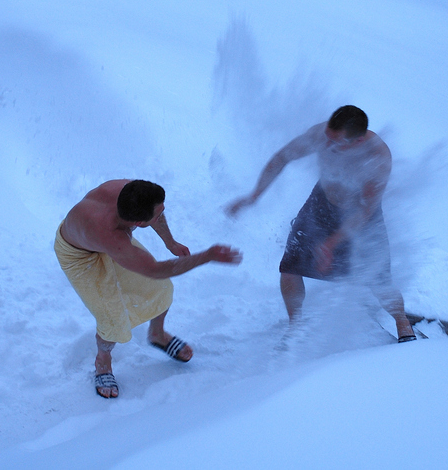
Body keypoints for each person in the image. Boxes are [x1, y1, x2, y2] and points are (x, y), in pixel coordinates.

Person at [226, 105, 415, 342]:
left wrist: (330, 244)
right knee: (290, 267)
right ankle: (296, 324)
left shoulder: (377, 158)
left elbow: (365, 210)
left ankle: (402, 321)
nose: (327, 145)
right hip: (321, 205)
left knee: (378, 280)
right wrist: (254, 195)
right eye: (327, 137)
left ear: (356, 142)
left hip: (361, 217)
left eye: (336, 143)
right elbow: (281, 158)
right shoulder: (322, 134)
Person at [55, 179, 242, 398]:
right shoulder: (112, 237)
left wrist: (170, 242)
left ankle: (157, 335)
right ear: (139, 223)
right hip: (78, 256)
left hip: (98, 237)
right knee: (112, 319)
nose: (162, 213)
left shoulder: (128, 191)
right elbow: (155, 269)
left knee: (160, 289)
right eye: (157, 213)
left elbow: (155, 218)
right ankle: (102, 361)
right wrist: (206, 256)